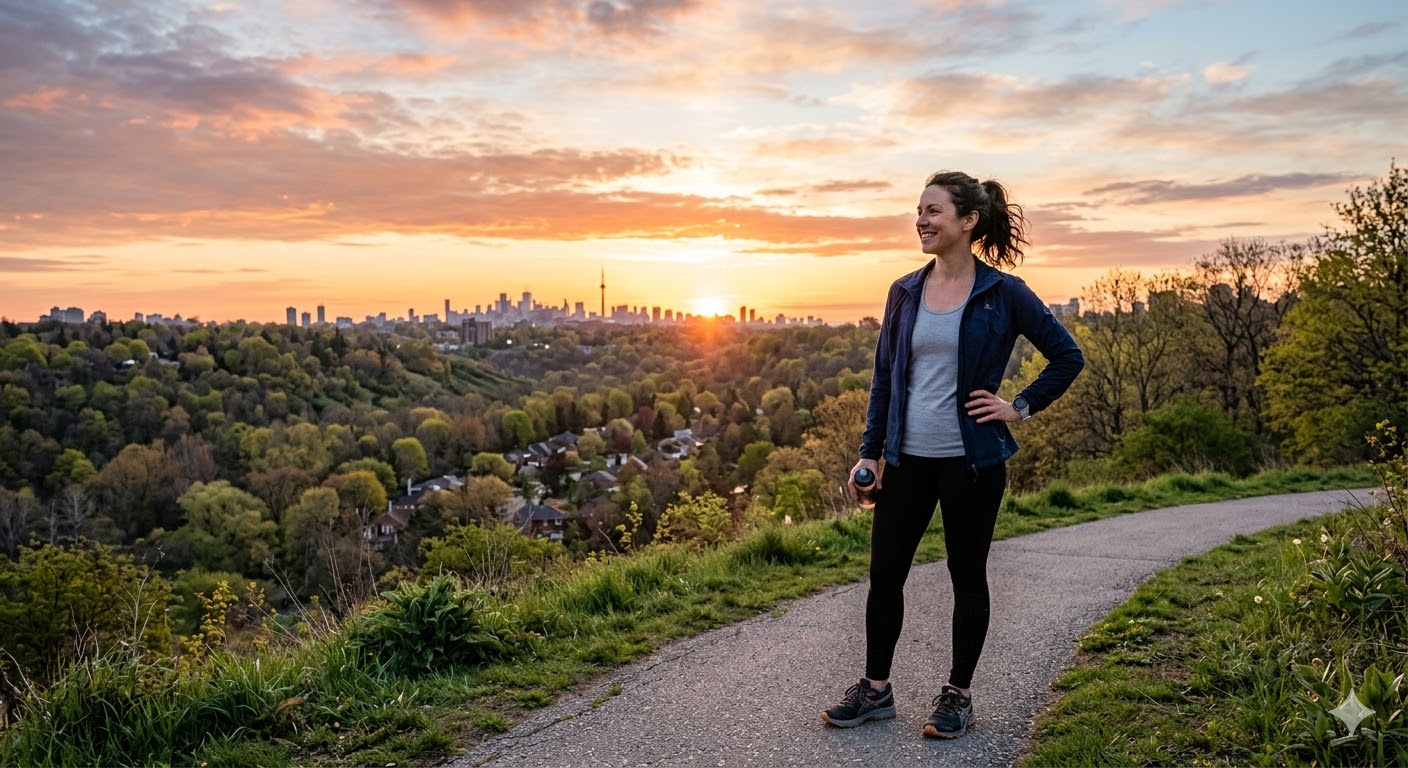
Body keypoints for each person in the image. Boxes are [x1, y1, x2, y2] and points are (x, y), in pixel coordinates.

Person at [821, 170, 1084, 739]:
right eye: (919, 210)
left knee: (967, 575)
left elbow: (1067, 356)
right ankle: (875, 689)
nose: (921, 219)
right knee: (884, 574)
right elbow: (884, 379)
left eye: (933, 211)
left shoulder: (1003, 292)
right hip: (907, 461)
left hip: (972, 464)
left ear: (968, 221)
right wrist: (870, 454)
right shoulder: (905, 291)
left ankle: (958, 696)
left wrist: (1020, 405)